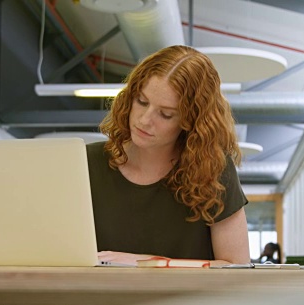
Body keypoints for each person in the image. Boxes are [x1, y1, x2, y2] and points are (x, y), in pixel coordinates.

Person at [88, 45, 250, 267]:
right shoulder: (86, 164)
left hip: (185, 302)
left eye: (166, 114)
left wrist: (147, 262)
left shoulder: (214, 171)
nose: (145, 120)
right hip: (95, 300)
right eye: (141, 101)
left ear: (191, 122)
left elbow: (237, 266)